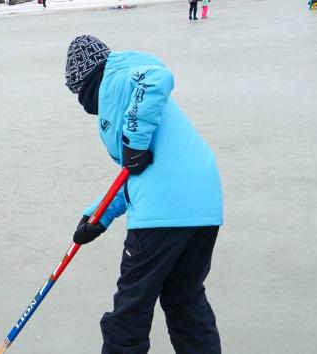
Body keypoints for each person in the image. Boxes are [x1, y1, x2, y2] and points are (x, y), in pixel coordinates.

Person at [63, 35, 223, 354]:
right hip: (203, 204)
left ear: (84, 85)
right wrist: (99, 215)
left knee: (130, 309)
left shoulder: (116, 81)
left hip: (162, 212)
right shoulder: (124, 95)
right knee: (184, 301)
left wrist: (134, 141)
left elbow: (157, 78)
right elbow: (136, 172)